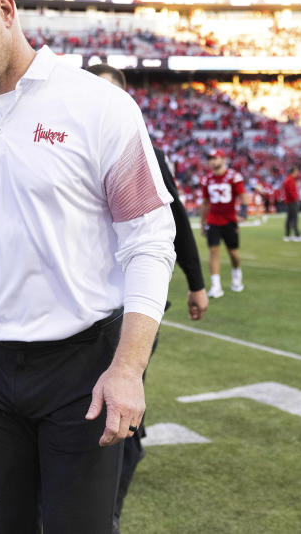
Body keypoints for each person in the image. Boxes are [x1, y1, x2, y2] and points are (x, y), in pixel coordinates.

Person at [0, 0, 176, 533]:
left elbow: (150, 239)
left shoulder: (98, 106)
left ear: (6, 9)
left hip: (81, 367)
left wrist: (128, 368)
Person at [87, 63, 207, 530]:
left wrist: (195, 282)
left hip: (127, 306)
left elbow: (173, 223)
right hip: (80, 306)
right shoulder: (62, 143)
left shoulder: (140, 148)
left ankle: (107, 510)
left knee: (115, 406)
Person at [200, 148, 249, 297]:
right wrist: (203, 222)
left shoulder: (234, 177)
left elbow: (242, 195)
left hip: (229, 220)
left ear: (223, 159)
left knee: (233, 253)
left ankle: (237, 276)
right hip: (213, 220)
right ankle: (216, 286)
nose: (212, 161)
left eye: (215, 158)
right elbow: (205, 202)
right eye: (210, 159)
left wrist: (244, 211)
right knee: (213, 252)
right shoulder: (207, 179)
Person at [282, 166, 301, 242]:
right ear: (293, 171)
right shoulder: (290, 180)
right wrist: (296, 198)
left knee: (289, 218)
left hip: (289, 201)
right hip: (292, 202)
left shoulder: (288, 179)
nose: (298, 173)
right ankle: (297, 235)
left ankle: (287, 235)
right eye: (296, 171)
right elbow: (291, 191)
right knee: (294, 218)